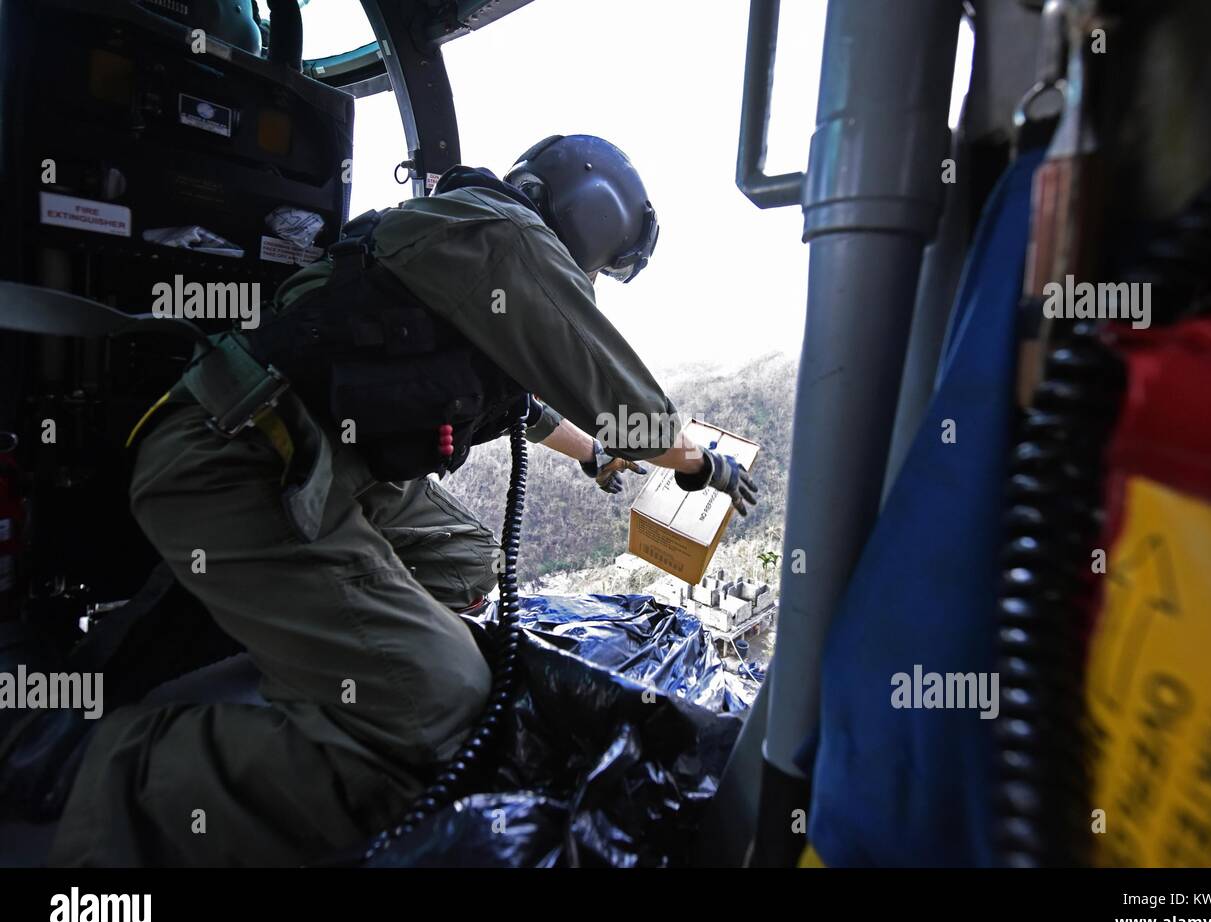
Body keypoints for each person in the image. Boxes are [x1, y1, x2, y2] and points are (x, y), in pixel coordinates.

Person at [0, 134, 757, 865]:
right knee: (444, 703)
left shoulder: (464, 237)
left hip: (309, 462)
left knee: (467, 558)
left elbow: (525, 406)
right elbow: (624, 404)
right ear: (590, 220)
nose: (588, 287)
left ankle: (321, 642)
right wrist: (702, 463)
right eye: (596, 269)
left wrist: (592, 456)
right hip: (237, 465)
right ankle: (87, 764)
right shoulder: (503, 235)